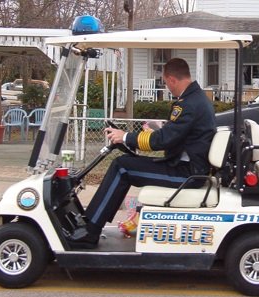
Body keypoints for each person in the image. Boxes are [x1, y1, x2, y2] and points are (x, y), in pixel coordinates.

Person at [68, 58, 216, 248]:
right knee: (126, 163)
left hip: (187, 174)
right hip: (185, 166)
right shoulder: (195, 99)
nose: (167, 88)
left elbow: (163, 140)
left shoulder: (189, 104)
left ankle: (90, 231)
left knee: (122, 167)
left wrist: (126, 137)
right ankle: (91, 222)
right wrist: (143, 134)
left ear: (171, 79)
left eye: (165, 83)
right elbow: (175, 135)